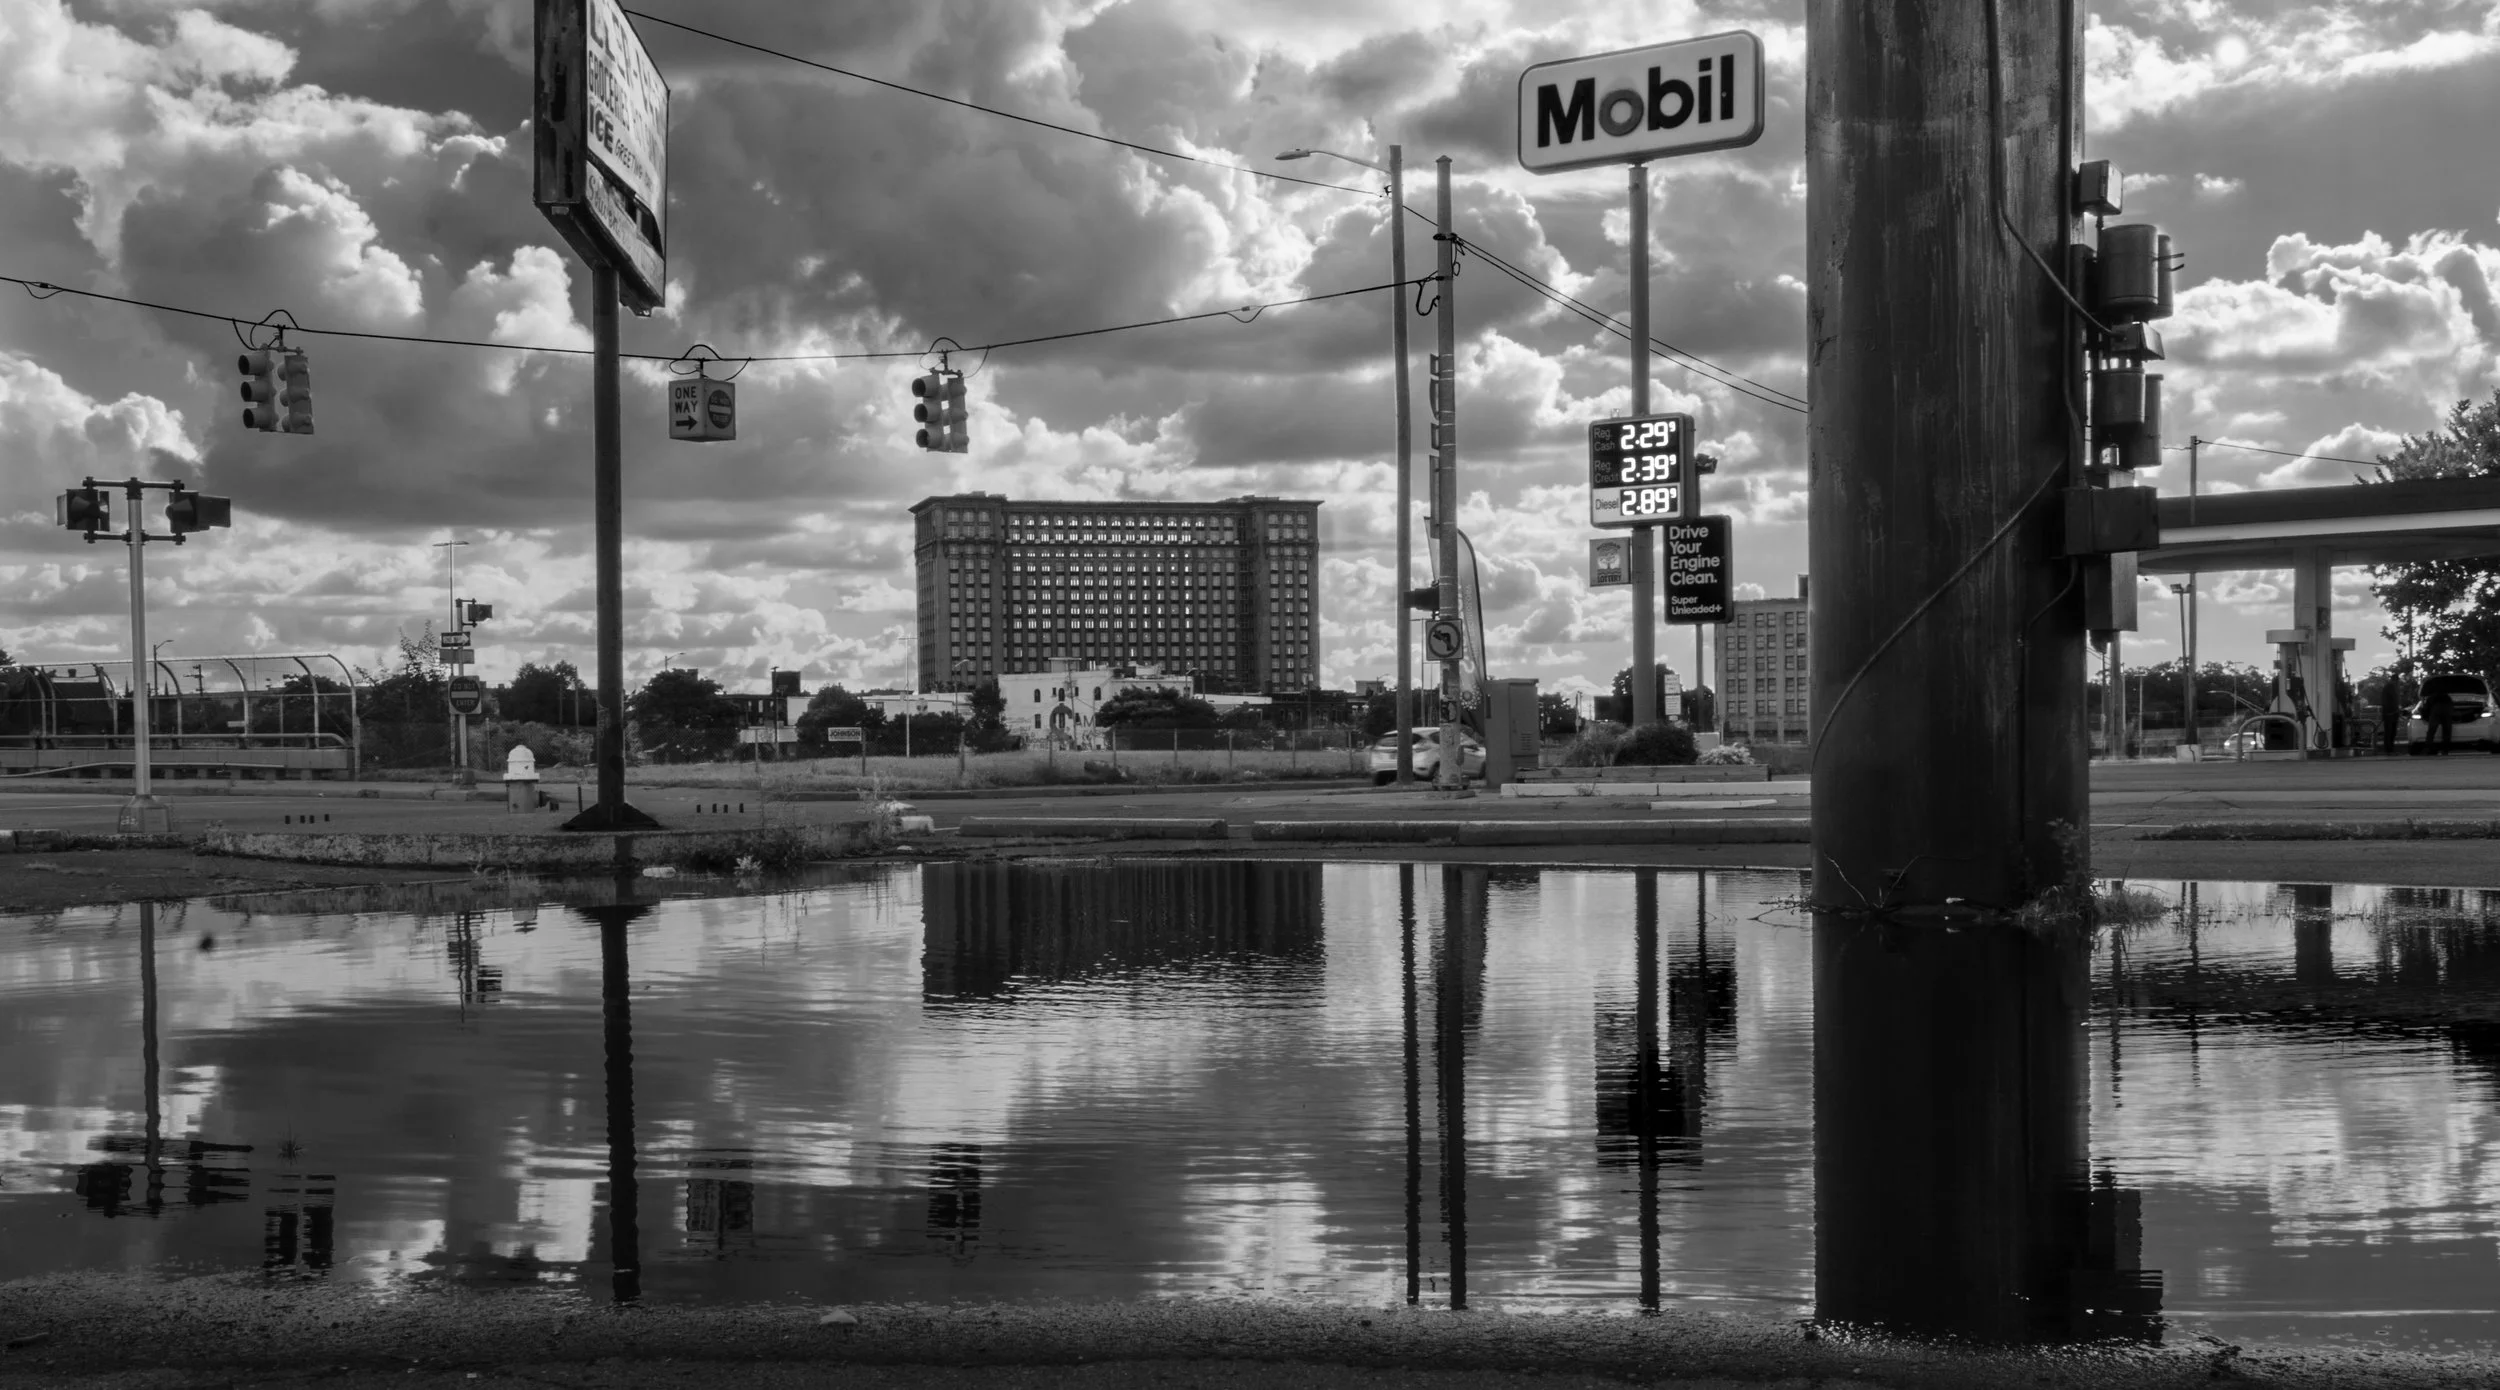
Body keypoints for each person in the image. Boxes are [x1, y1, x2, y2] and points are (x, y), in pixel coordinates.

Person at [2424, 687, 2456, 755]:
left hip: (2436, 710)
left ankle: (2428, 748)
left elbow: (2426, 709)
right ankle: (2445, 750)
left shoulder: (2431, 697)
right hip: (2447, 710)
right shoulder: (2447, 697)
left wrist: (2426, 717)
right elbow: (2452, 707)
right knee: (2447, 730)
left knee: (2432, 730)